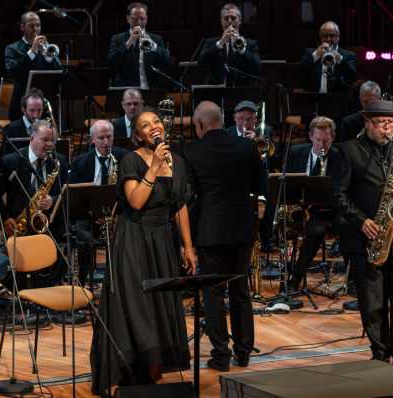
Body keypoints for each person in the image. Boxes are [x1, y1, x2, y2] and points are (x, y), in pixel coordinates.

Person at [90, 109, 196, 395]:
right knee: (138, 308)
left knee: (160, 306)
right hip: (133, 239)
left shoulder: (179, 162)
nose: (153, 127)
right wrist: (153, 167)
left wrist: (188, 246)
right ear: (138, 135)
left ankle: (154, 368)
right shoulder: (131, 160)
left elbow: (180, 206)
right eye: (145, 125)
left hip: (163, 241)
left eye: (156, 122)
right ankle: (130, 370)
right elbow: (136, 202)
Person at [333, 99, 393, 370]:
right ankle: (380, 352)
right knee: (372, 300)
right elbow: (338, 194)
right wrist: (362, 221)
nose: (387, 129)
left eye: (390, 123)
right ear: (368, 123)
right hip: (367, 235)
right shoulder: (348, 150)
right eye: (381, 124)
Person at [183, 101, 266, 372]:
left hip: (210, 231)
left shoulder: (192, 151)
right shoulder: (246, 146)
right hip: (242, 229)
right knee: (241, 291)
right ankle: (243, 352)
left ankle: (221, 356)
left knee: (213, 293)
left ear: (200, 125)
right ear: (221, 120)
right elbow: (260, 187)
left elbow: (188, 196)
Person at [284, 116, 343, 291]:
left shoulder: (340, 158)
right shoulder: (295, 153)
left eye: (326, 140)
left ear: (332, 138)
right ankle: (292, 279)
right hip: (301, 209)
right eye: (318, 140)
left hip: (330, 212)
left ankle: (296, 278)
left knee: (318, 230)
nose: (322, 145)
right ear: (310, 136)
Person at [68, 120, 129, 285]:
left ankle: (119, 281)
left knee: (126, 234)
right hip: (88, 215)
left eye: (109, 137)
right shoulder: (80, 162)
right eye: (101, 138)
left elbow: (129, 191)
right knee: (83, 237)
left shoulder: (124, 157)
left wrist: (114, 214)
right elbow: (73, 196)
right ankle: (82, 282)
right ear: (92, 139)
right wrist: (93, 214)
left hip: (116, 213)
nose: (106, 142)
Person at [0, 120, 68, 237]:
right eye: (45, 140)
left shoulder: (60, 161)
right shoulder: (10, 161)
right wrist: (5, 218)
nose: (50, 144)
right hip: (17, 226)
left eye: (52, 140)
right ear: (32, 138)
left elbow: (67, 192)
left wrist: (53, 200)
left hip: (50, 226)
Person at [5, 11, 62, 122]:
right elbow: (13, 72)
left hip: (45, 102)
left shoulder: (46, 47)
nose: (35, 29)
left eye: (38, 25)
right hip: (22, 102)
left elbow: (59, 72)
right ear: (22, 27)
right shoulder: (12, 48)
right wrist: (32, 51)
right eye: (31, 25)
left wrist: (49, 58)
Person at [106, 2, 170, 89]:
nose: (138, 23)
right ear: (128, 19)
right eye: (134, 19)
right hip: (126, 90)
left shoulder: (156, 39)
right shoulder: (117, 39)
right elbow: (111, 62)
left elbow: (167, 62)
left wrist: (153, 46)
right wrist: (129, 42)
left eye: (142, 19)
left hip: (151, 88)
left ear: (146, 19)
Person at [198, 3, 260, 87]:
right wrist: (220, 43)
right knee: (204, 101)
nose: (230, 21)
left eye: (233, 18)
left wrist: (242, 49)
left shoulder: (251, 43)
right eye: (226, 18)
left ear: (240, 21)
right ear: (221, 21)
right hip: (216, 91)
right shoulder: (210, 42)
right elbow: (201, 62)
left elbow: (257, 67)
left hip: (243, 91)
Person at [299, 21, 356, 94]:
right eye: (325, 36)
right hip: (314, 99)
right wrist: (316, 55)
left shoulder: (348, 55)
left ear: (338, 37)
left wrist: (340, 60)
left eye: (332, 35)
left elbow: (352, 77)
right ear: (320, 37)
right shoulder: (309, 53)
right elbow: (300, 71)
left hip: (338, 99)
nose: (328, 39)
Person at [2, 88, 45, 155]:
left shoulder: (46, 127)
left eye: (39, 110)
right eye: (32, 110)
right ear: (23, 110)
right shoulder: (11, 129)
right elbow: (5, 158)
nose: (36, 115)